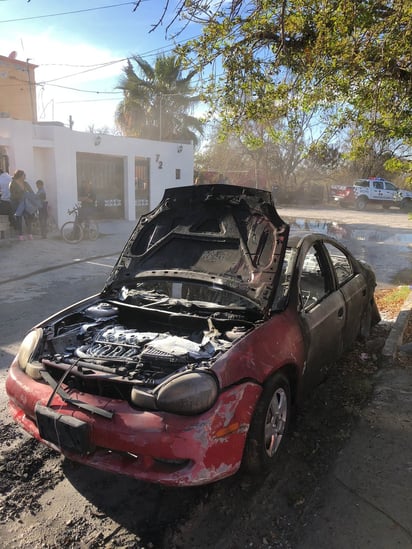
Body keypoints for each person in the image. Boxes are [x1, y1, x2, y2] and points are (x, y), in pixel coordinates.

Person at [9, 169, 40, 240]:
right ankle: (20, 235)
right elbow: (13, 195)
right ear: (19, 176)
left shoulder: (25, 183)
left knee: (28, 218)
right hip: (15, 202)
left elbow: (31, 192)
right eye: (23, 175)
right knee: (19, 218)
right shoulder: (12, 183)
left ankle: (29, 233)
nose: (25, 176)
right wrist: (23, 195)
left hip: (24, 202)